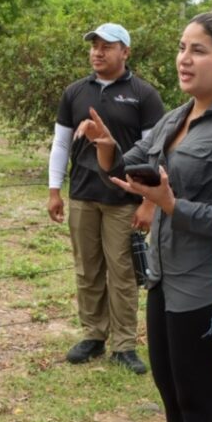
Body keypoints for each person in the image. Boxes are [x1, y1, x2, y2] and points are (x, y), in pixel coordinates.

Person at [75, 12, 212, 422]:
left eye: (198, 50)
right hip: (163, 281)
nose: (184, 58)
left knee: (202, 408)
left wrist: (173, 206)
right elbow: (129, 169)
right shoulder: (174, 119)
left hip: (207, 292)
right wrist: (107, 147)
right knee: (173, 397)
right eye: (182, 48)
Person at [47, 22, 165, 374]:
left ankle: (124, 344)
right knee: (88, 269)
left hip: (125, 200)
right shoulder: (74, 92)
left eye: (107, 46)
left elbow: (155, 152)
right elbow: (61, 144)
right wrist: (54, 190)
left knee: (123, 273)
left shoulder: (144, 95)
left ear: (125, 52)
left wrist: (148, 202)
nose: (97, 52)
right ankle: (93, 335)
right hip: (83, 195)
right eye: (94, 45)